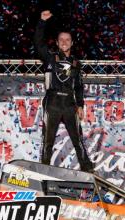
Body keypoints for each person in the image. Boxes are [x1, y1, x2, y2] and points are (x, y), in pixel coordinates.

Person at [34, 10, 93, 172]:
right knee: (48, 140)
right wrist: (42, 22)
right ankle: (43, 171)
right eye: (61, 40)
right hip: (52, 102)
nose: (64, 42)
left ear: (72, 43)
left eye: (67, 40)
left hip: (69, 103)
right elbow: (38, 43)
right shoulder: (50, 57)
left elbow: (79, 86)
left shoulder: (76, 63)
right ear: (57, 43)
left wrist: (80, 105)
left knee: (78, 139)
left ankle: (87, 170)